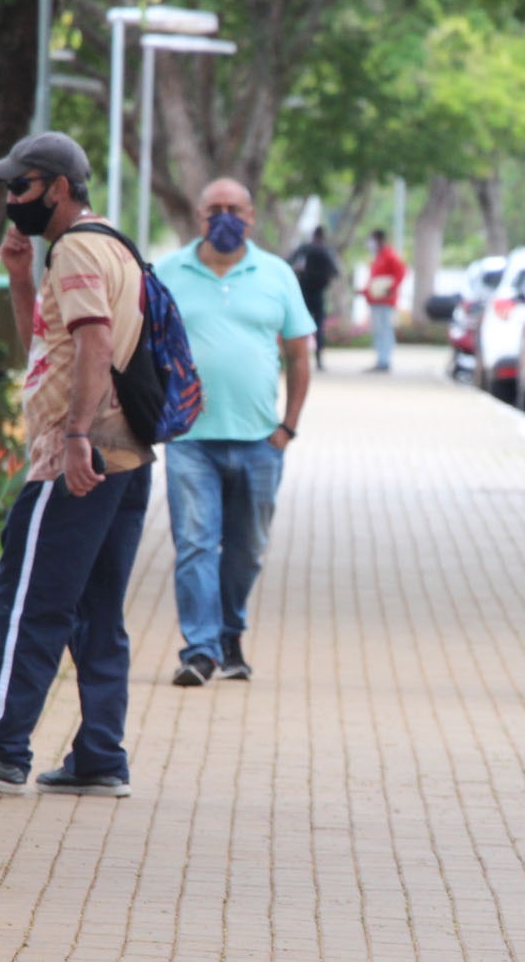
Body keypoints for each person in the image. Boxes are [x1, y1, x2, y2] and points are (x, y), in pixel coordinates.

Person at [0, 132, 155, 798]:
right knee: (97, 609)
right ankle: (100, 757)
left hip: (78, 454)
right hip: (126, 448)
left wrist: (72, 438)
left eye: (21, 187)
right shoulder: (113, 247)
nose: (11, 200)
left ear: (57, 188)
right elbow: (50, 350)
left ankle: (3, 747)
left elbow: (93, 344)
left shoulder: (72, 251)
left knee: (28, 600)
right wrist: (18, 281)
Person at [155, 179, 314, 686]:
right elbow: (141, 348)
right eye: (214, 209)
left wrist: (288, 427)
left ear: (251, 215)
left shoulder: (276, 274)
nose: (224, 218)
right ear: (198, 215)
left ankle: (230, 634)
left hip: (260, 442)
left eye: (234, 209)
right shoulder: (166, 273)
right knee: (196, 545)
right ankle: (199, 651)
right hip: (190, 441)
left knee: (247, 550)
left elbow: (298, 355)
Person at [287, 225, 341, 370]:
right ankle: (318, 359)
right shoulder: (326, 251)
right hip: (318, 294)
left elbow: (288, 262)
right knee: (319, 328)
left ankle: (299, 358)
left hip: (303, 292)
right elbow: (336, 272)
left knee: (299, 328)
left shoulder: (305, 249)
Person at [360, 229, 405, 372]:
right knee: (378, 330)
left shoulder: (389, 255)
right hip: (375, 300)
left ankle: (384, 361)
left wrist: (392, 288)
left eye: (372, 239)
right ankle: (380, 359)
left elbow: (401, 272)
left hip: (385, 301)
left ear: (378, 239)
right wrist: (364, 292)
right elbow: (374, 281)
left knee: (384, 330)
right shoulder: (378, 257)